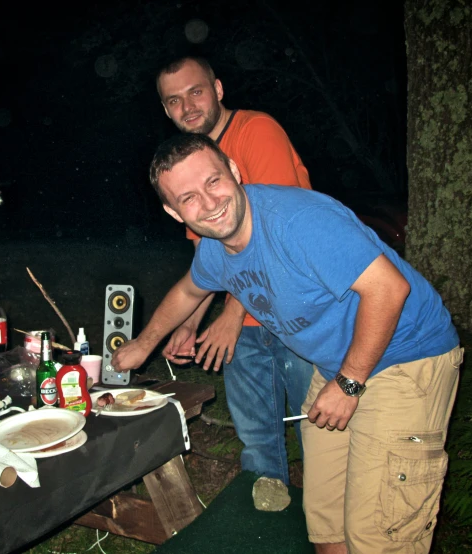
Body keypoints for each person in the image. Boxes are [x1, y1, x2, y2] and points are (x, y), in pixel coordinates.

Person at [111, 133, 462, 553]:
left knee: (379, 538)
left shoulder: (299, 223)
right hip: (337, 364)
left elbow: (389, 290)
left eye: (214, 181)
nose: (209, 203)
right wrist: (143, 345)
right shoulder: (215, 248)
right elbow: (189, 291)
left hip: (407, 359)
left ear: (235, 172)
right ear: (173, 211)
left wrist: (349, 383)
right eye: (188, 198)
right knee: (326, 527)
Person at [155, 55, 314, 490]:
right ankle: (268, 523)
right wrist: (188, 325)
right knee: (257, 440)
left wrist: (230, 317)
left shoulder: (256, 131)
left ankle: (329, 529)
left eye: (196, 92)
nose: (187, 107)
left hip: (295, 310)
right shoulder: (189, 164)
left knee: (316, 433)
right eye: (173, 100)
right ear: (165, 110)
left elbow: (270, 234)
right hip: (245, 321)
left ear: (218, 89)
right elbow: (209, 263)